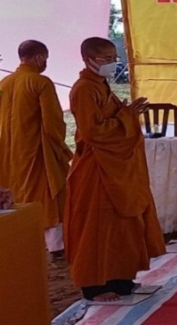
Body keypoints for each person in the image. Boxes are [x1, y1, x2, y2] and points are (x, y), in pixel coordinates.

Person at [65, 37, 166, 301]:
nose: (112, 64)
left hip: (115, 167)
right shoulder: (84, 89)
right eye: (106, 59)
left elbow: (110, 119)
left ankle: (121, 280)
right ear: (88, 58)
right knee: (98, 228)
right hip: (97, 170)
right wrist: (127, 116)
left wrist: (128, 112)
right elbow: (93, 131)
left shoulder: (100, 84)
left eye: (113, 58)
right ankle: (94, 286)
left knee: (123, 226)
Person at [0, 40, 73, 256]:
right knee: (47, 194)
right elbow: (53, 122)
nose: (46, 64)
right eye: (46, 59)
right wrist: (60, 148)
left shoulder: (4, 83)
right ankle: (55, 245)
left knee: (15, 192)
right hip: (36, 150)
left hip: (8, 151)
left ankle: (20, 239)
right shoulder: (40, 82)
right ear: (40, 57)